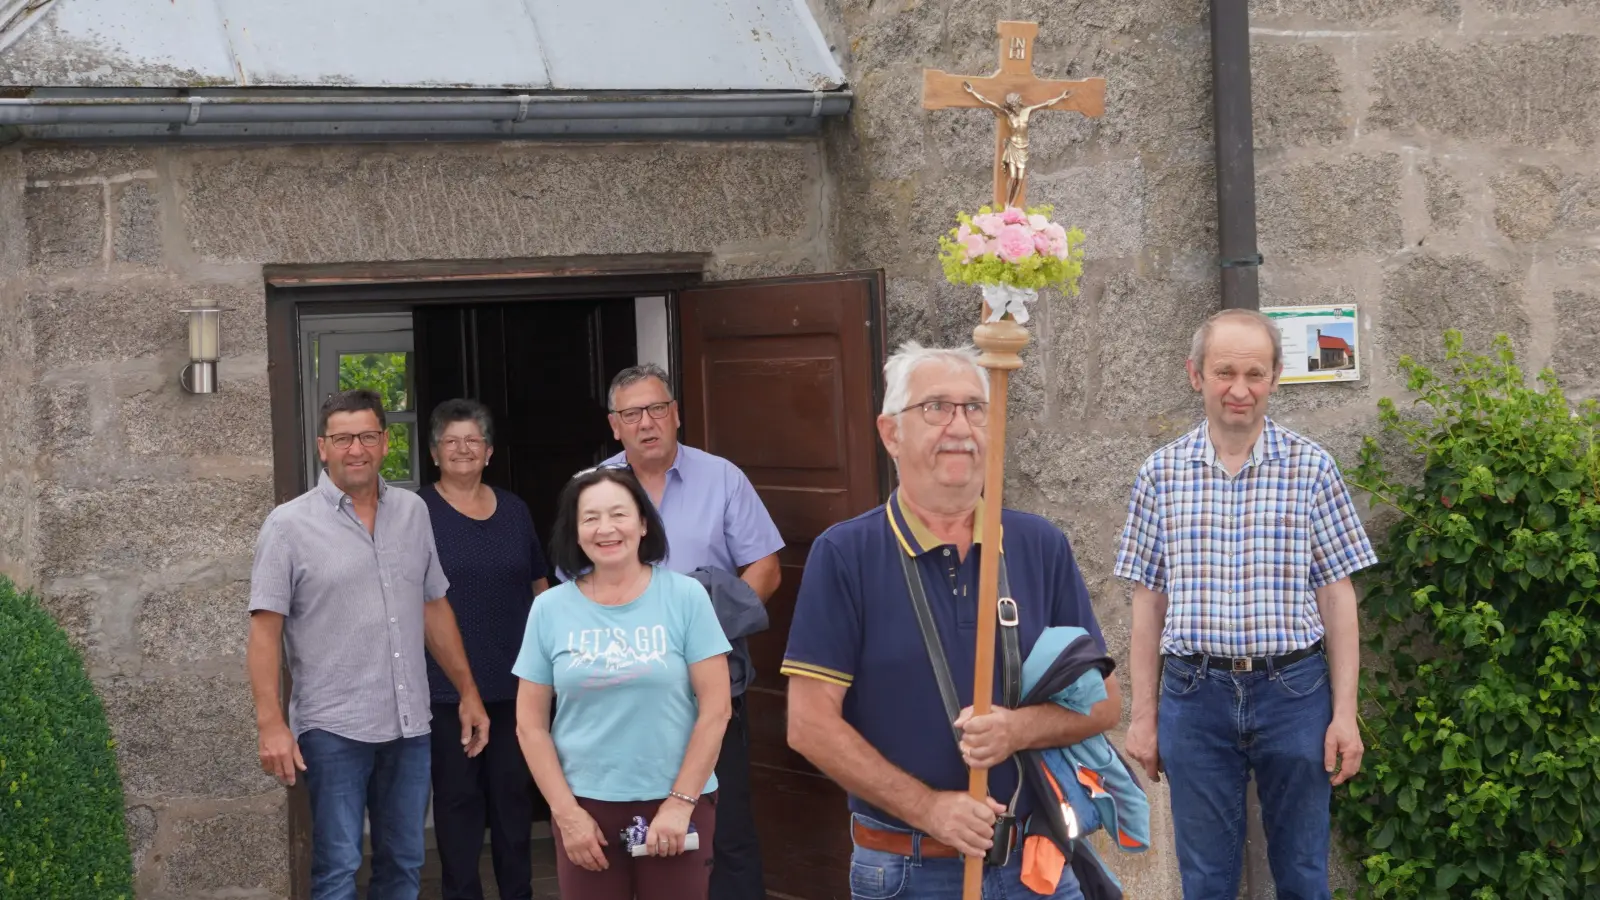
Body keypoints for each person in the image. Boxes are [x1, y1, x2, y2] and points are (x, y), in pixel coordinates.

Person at [781, 341, 1120, 899]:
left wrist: (1019, 729)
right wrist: (930, 808)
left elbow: (1105, 702)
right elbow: (809, 725)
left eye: (974, 408)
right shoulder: (846, 553)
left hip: (1039, 866)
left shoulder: (1038, 545)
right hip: (908, 871)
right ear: (891, 433)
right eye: (936, 407)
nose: (959, 426)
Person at [1113, 308, 1378, 900]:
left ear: (1276, 378)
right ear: (1195, 375)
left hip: (1295, 694)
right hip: (1194, 696)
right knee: (1206, 881)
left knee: (1304, 876)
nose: (1240, 389)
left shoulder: (1312, 469)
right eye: (1224, 371)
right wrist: (1144, 714)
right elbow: (1147, 601)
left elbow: (1338, 597)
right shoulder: (1160, 475)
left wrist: (1344, 712)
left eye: (1254, 373)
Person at [247, 388, 490, 900]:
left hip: (409, 725)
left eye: (366, 436)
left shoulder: (413, 512)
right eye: (342, 438)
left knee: (403, 863)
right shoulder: (288, 526)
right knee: (337, 868)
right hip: (333, 728)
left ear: (384, 442)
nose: (355, 449)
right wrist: (272, 724)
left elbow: (433, 607)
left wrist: (467, 690)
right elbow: (265, 631)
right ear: (322, 447)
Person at [599, 363, 783, 900]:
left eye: (657, 409)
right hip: (625, 690)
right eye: (632, 414)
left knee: (726, 830)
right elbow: (572, 582)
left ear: (676, 414)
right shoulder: (594, 488)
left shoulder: (721, 477)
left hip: (709, 685)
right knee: (632, 825)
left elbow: (766, 567)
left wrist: (702, 633)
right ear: (615, 426)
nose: (647, 423)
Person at [513, 465, 733, 900]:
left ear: (643, 523)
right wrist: (566, 814)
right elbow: (530, 725)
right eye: (590, 517)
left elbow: (716, 709)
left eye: (619, 514)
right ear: (574, 532)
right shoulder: (550, 609)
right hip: (584, 808)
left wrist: (680, 802)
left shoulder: (686, 597)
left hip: (676, 803)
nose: (606, 528)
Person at [418, 399, 551, 900]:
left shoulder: (514, 511)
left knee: (514, 802)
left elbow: (541, 586)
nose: (462, 449)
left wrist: (552, 662)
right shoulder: (417, 512)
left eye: (473, 440)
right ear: (434, 452)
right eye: (450, 441)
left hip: (516, 685)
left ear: (489, 451)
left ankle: (519, 893)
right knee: (458, 804)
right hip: (446, 691)